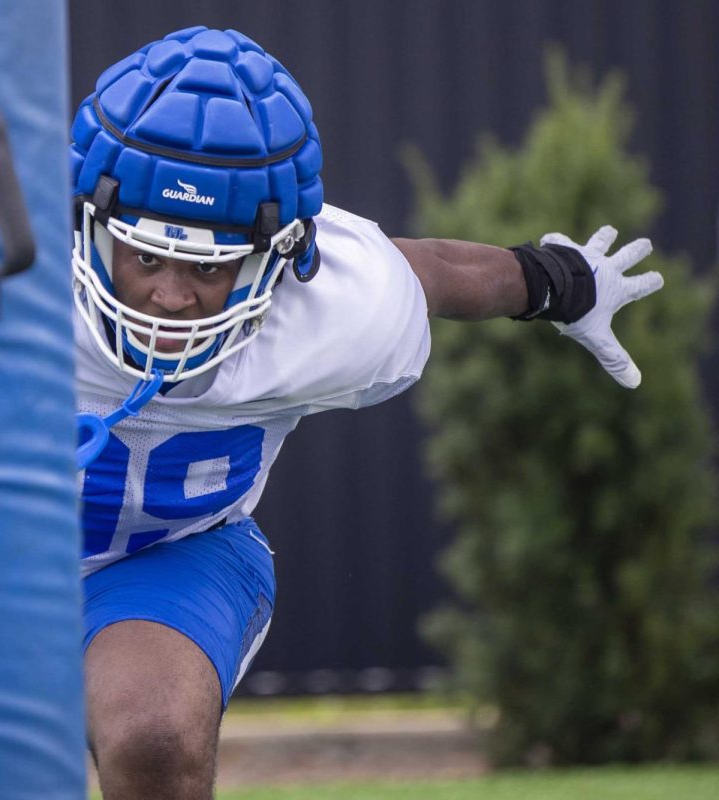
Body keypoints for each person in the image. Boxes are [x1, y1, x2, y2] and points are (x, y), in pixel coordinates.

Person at [69, 27, 662, 800]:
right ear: (88, 222)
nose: (173, 297)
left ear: (279, 260)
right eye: (146, 256)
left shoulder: (336, 311)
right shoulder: (1, 274)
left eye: (211, 265)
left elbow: (433, 272)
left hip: (174, 554)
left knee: (152, 736)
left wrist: (560, 281)